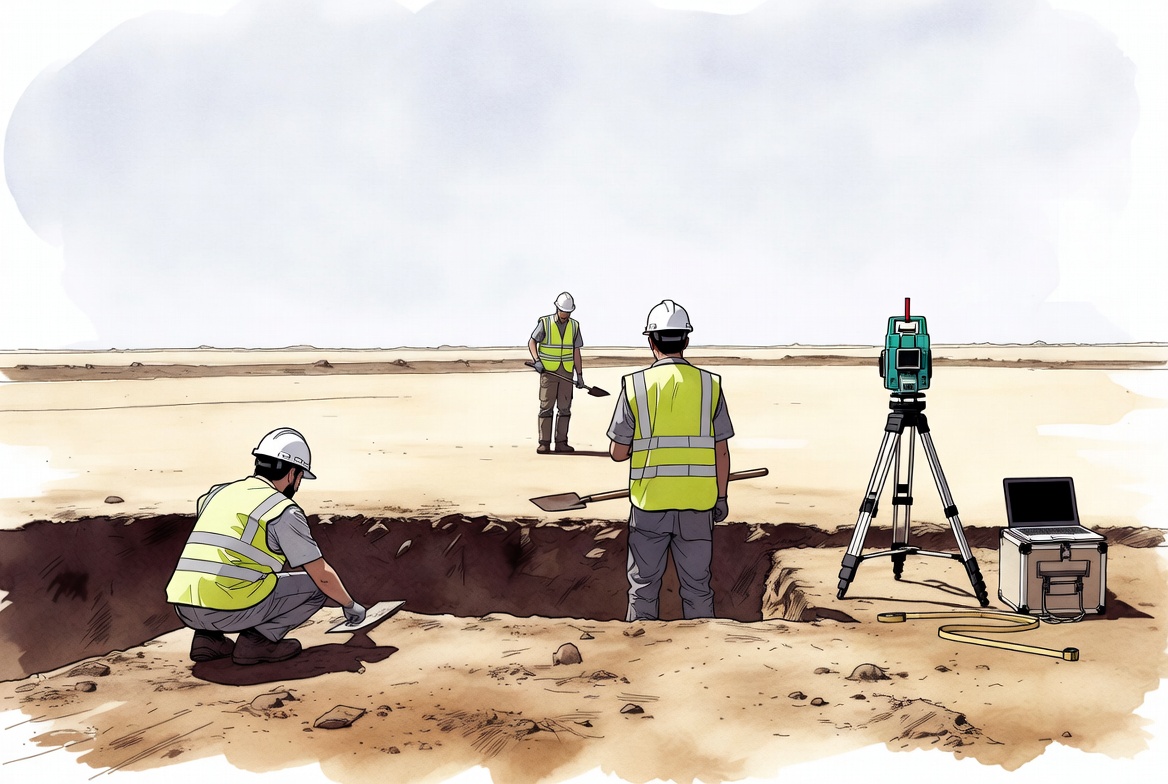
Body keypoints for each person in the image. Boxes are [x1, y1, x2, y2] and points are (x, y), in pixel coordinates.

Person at [165, 427, 366, 665]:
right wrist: (350, 605)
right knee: (314, 587)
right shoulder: (283, 510)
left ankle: (208, 640)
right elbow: (321, 575)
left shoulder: (215, 494)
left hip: (184, 607)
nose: (299, 484)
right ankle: (258, 643)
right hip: (229, 610)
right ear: (292, 474)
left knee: (224, 577)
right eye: (300, 477)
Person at [607, 300, 734, 621]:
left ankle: (639, 649)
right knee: (698, 587)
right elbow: (721, 450)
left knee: (643, 586)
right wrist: (721, 496)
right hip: (698, 505)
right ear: (686, 341)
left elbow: (618, 452)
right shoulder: (710, 385)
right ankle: (704, 650)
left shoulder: (635, 385)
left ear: (651, 342)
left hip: (650, 504)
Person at [528, 291, 586, 454]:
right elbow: (532, 341)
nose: (565, 315)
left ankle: (561, 443)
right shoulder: (545, 323)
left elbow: (576, 351)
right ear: (557, 308)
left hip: (567, 373)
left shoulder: (574, 326)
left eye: (568, 312)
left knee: (564, 409)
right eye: (563, 311)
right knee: (546, 408)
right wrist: (537, 360)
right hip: (548, 373)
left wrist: (579, 375)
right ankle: (544, 443)